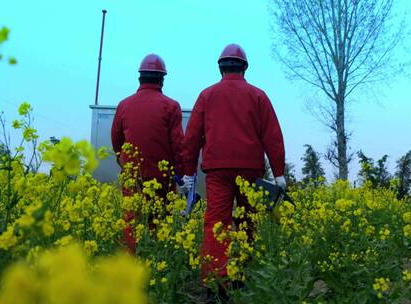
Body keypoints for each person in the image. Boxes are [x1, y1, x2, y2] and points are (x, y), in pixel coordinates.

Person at [182, 43, 286, 300]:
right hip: (250, 169)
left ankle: (214, 283)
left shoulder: (206, 95)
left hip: (217, 169)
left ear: (220, 68)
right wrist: (279, 172)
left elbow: (192, 137)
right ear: (244, 67)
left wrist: (187, 172)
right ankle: (243, 278)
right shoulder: (258, 95)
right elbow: (272, 135)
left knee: (215, 222)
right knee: (248, 221)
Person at [111, 53, 184, 254]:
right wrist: (180, 171)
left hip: (132, 174)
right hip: (162, 177)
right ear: (162, 79)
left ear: (140, 78)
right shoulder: (171, 106)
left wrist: (123, 160)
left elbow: (116, 139)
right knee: (160, 219)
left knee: (130, 220)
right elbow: (178, 144)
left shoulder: (124, 105)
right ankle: (157, 260)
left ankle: (128, 263)